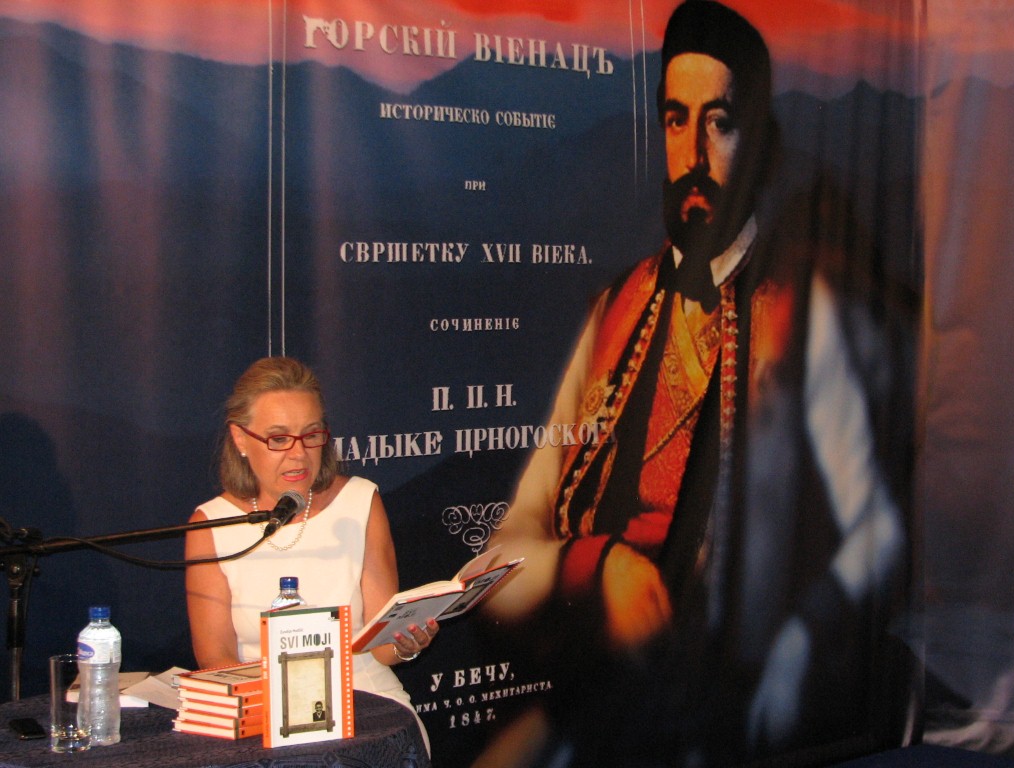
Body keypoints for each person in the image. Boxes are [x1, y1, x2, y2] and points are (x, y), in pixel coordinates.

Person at [483, 1, 914, 765]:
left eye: (720, 123)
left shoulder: (801, 314)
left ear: (757, 143)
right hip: (602, 689)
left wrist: (800, 642)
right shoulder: (616, 311)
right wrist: (598, 566)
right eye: (676, 121)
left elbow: (877, 531)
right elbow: (503, 557)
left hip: (732, 702)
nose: (693, 153)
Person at [185, 356, 439, 745]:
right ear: (240, 439)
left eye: (311, 434)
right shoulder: (210, 524)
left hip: (366, 701)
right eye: (278, 438)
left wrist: (407, 643)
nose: (299, 453)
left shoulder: (360, 502)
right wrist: (285, 709)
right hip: (265, 709)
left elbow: (384, 649)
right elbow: (215, 658)